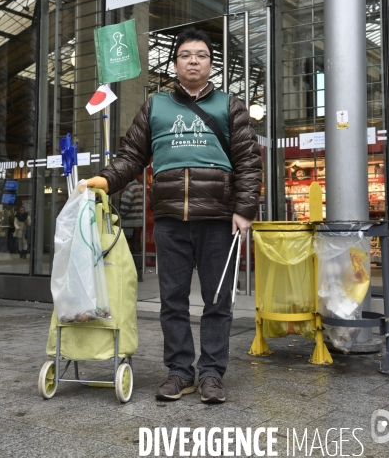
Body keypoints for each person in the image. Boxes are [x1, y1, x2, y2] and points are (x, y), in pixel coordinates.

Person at [87, 28, 262, 404]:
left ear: (211, 64)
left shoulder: (229, 106)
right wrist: (104, 180)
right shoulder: (155, 105)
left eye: (201, 55)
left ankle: (212, 374)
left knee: (217, 300)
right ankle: (180, 371)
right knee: (173, 300)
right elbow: (132, 155)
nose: (193, 60)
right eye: (186, 55)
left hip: (218, 218)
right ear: (175, 63)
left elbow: (248, 162)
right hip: (169, 219)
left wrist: (244, 210)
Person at [120, 175, 144, 282]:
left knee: (126, 248)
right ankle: (139, 273)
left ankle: (130, 273)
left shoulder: (130, 188)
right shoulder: (141, 186)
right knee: (137, 248)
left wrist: (119, 215)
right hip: (139, 223)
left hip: (129, 223)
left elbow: (124, 207)